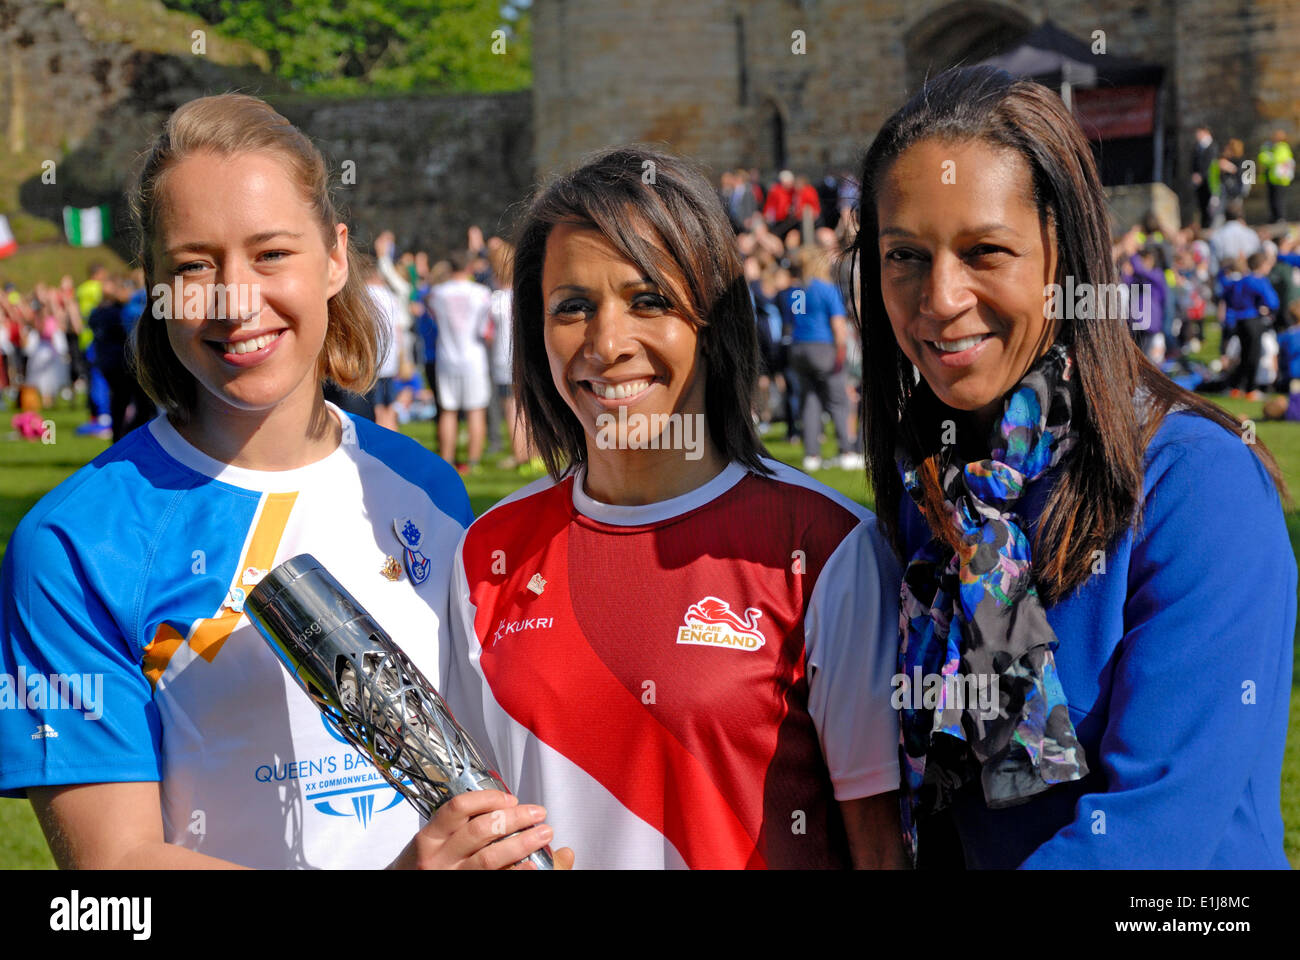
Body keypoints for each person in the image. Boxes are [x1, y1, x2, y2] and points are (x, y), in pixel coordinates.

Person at [0, 93, 568, 870]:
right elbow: (113, 874)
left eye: (271, 254)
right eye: (195, 265)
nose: (237, 300)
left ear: (335, 257)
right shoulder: (74, 545)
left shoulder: (424, 485)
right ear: (155, 287)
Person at [845, 65, 1295, 868]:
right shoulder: (935, 493)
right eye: (904, 255)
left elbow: (1153, 832)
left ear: (1066, 260)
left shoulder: (1197, 485)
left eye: (986, 251)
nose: (939, 296)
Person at [445, 145, 907, 870]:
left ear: (712, 319)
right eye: (573, 307)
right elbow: (474, 820)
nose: (606, 343)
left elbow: (879, 851)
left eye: (649, 300)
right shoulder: (488, 552)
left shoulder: (825, 545)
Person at [427, 250, 493, 472]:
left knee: (448, 410)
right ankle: (473, 462)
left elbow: (432, 317)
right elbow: (485, 329)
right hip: (474, 357)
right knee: (475, 411)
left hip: (447, 357)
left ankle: (447, 459)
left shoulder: (437, 293)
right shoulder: (482, 292)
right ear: (469, 267)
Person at [1259, 129, 1296, 224]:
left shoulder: (1283, 147)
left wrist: (1268, 158)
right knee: (1272, 199)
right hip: (1271, 178)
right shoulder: (1269, 146)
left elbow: (1276, 160)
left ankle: (1280, 218)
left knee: (1278, 199)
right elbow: (1262, 158)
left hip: (1280, 179)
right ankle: (1274, 218)